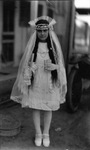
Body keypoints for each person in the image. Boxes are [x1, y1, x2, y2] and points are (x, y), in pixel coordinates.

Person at [10, 16, 67, 147]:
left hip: (49, 83)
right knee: (36, 107)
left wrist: (55, 67)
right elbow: (26, 66)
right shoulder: (33, 48)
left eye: (45, 31)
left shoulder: (54, 48)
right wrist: (30, 69)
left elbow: (60, 66)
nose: (42, 33)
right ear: (36, 31)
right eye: (39, 31)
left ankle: (46, 133)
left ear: (49, 31)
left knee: (48, 108)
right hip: (36, 82)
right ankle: (38, 133)